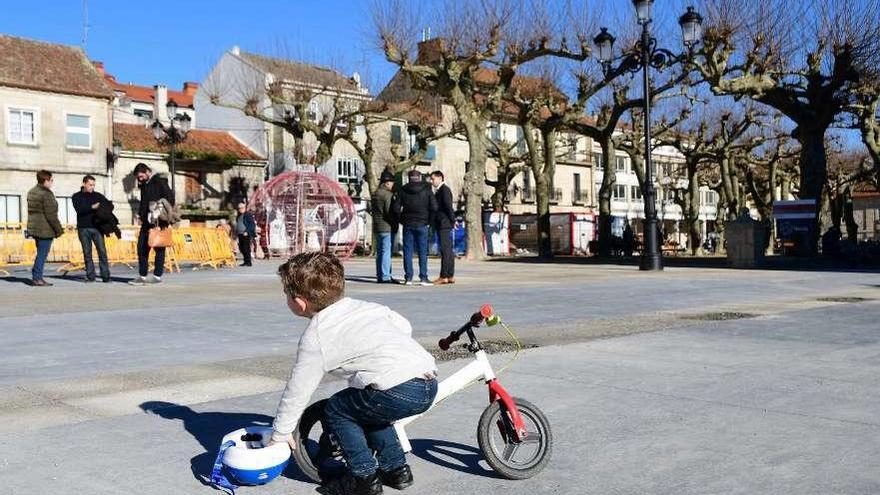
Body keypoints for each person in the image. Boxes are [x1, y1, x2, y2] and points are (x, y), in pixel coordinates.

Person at [268, 252, 438, 495]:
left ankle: (363, 478)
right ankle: (396, 470)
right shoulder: (366, 307)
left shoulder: (316, 336)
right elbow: (403, 326)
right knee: (368, 410)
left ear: (299, 302)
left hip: (398, 388)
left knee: (337, 409)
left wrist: (281, 433)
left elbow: (298, 390)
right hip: (427, 381)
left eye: (286, 294)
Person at [129, 163, 174, 285]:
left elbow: (170, 198)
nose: (139, 179)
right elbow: (144, 202)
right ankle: (142, 276)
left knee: (159, 247)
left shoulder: (160, 181)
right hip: (146, 222)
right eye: (138, 177)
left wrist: (159, 213)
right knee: (142, 247)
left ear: (148, 172)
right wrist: (140, 215)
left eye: (141, 176)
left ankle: (157, 276)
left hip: (159, 222)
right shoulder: (143, 185)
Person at [392, 170, 437, 286]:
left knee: (407, 251)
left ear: (409, 178)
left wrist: (402, 220)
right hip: (423, 223)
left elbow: (396, 208)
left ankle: (408, 278)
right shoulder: (427, 190)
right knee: (423, 252)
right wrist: (429, 222)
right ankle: (423, 277)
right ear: (420, 177)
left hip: (408, 224)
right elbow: (434, 207)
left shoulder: (402, 190)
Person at [26, 170, 64, 286]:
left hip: (35, 227)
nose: (52, 182)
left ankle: (36, 276)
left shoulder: (32, 191)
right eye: (51, 180)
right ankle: (37, 278)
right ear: (45, 180)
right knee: (42, 254)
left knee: (40, 253)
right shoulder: (46, 194)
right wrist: (59, 230)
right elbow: (51, 214)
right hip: (45, 229)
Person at [72, 175, 112, 282]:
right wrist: (92, 207)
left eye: (93, 185)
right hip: (83, 228)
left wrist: (103, 207)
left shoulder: (98, 195)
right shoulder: (76, 196)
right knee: (87, 253)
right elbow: (79, 209)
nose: (92, 187)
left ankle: (106, 276)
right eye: (90, 185)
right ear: (84, 184)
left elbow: (109, 204)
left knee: (102, 252)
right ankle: (91, 276)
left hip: (97, 228)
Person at [372, 170, 398, 283]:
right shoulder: (387, 194)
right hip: (387, 226)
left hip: (377, 226)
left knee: (380, 252)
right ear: (387, 183)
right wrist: (395, 221)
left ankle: (380, 275)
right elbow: (389, 211)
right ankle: (386, 276)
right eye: (392, 182)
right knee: (386, 252)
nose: (393, 185)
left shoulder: (375, 194)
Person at [430, 170, 455, 284]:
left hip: (444, 223)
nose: (431, 181)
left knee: (445, 250)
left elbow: (448, 207)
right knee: (448, 250)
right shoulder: (440, 190)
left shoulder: (444, 190)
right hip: (444, 222)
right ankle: (450, 275)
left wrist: (452, 220)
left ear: (440, 178)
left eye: (433, 179)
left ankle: (444, 275)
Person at [235, 202, 256, 266]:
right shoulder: (239, 215)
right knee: (241, 248)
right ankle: (245, 261)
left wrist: (247, 231)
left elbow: (252, 224)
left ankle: (248, 262)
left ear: (245, 208)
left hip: (246, 234)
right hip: (240, 234)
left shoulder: (247, 215)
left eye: (242, 208)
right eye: (239, 208)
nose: (240, 209)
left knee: (246, 248)